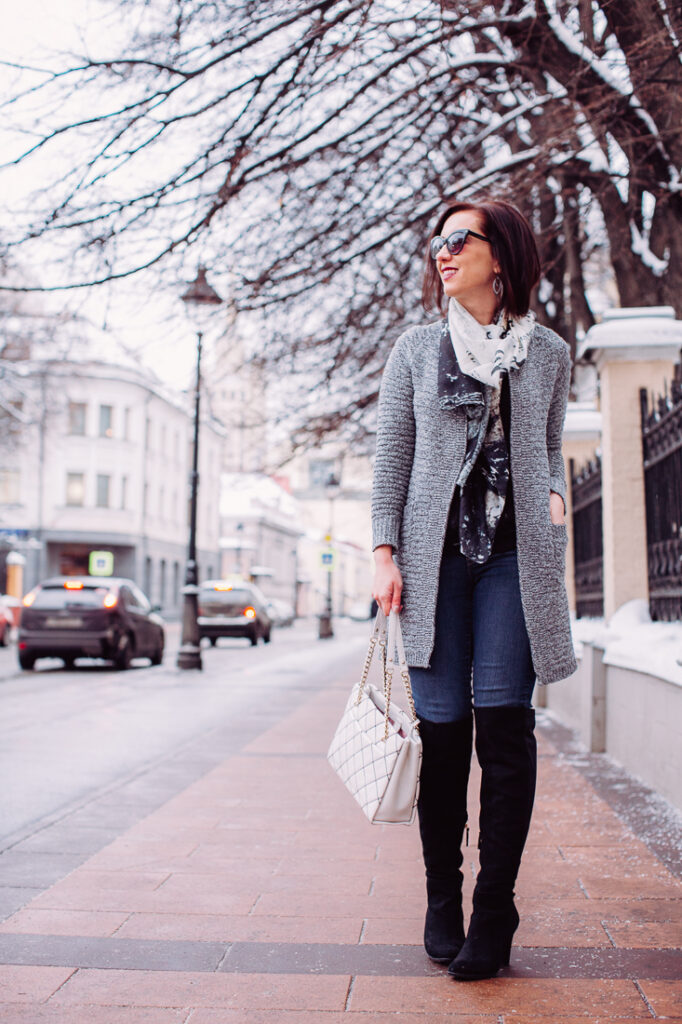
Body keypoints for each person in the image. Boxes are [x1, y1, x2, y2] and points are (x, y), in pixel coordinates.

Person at [371, 198, 576, 982]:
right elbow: (393, 457)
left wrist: (553, 500)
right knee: (445, 733)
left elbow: (550, 445)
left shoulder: (548, 353)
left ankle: (495, 910)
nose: (443, 253)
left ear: (503, 255)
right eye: (439, 242)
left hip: (513, 566)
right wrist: (385, 551)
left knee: (505, 731)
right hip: (434, 565)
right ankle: (439, 898)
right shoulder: (418, 351)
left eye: (460, 239)